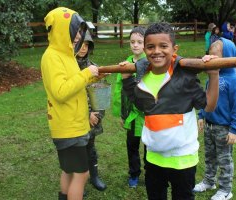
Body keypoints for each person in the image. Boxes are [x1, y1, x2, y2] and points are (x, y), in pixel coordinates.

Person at [121, 22, 220, 200]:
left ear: (174, 49)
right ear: (144, 49)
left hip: (183, 160)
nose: (156, 51)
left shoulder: (185, 77)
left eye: (163, 46)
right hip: (153, 158)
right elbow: (139, 103)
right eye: (150, 46)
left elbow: (209, 106)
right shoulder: (142, 77)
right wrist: (127, 80)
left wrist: (213, 74)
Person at [40, 7, 99, 200]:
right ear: (62, 29)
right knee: (82, 174)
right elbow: (60, 92)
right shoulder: (51, 57)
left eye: (81, 31)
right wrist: (85, 74)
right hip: (67, 127)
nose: (79, 36)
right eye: (75, 30)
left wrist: (92, 77)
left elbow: (74, 83)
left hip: (74, 123)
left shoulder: (67, 55)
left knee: (69, 171)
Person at [193, 37, 236, 200]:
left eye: (216, 57)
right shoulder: (211, 76)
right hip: (209, 125)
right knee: (209, 156)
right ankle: (209, 181)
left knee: (224, 160)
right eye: (210, 55)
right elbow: (206, 98)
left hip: (223, 128)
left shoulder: (234, 80)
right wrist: (201, 115)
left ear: (228, 56)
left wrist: (234, 130)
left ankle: (225, 189)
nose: (211, 59)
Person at [112, 26, 146, 188]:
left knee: (150, 147)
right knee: (132, 146)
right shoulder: (125, 63)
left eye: (140, 42)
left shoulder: (151, 62)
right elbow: (120, 89)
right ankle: (134, 174)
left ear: (146, 44)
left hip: (147, 116)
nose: (135, 45)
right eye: (132, 42)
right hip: (132, 117)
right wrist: (122, 114)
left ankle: (151, 174)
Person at [76, 30, 107, 191]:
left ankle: (94, 175)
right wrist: (85, 114)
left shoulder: (94, 68)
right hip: (74, 119)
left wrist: (96, 115)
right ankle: (77, 184)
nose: (83, 48)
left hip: (92, 119)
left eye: (87, 44)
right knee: (76, 151)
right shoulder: (68, 68)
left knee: (90, 148)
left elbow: (101, 97)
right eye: (80, 44)